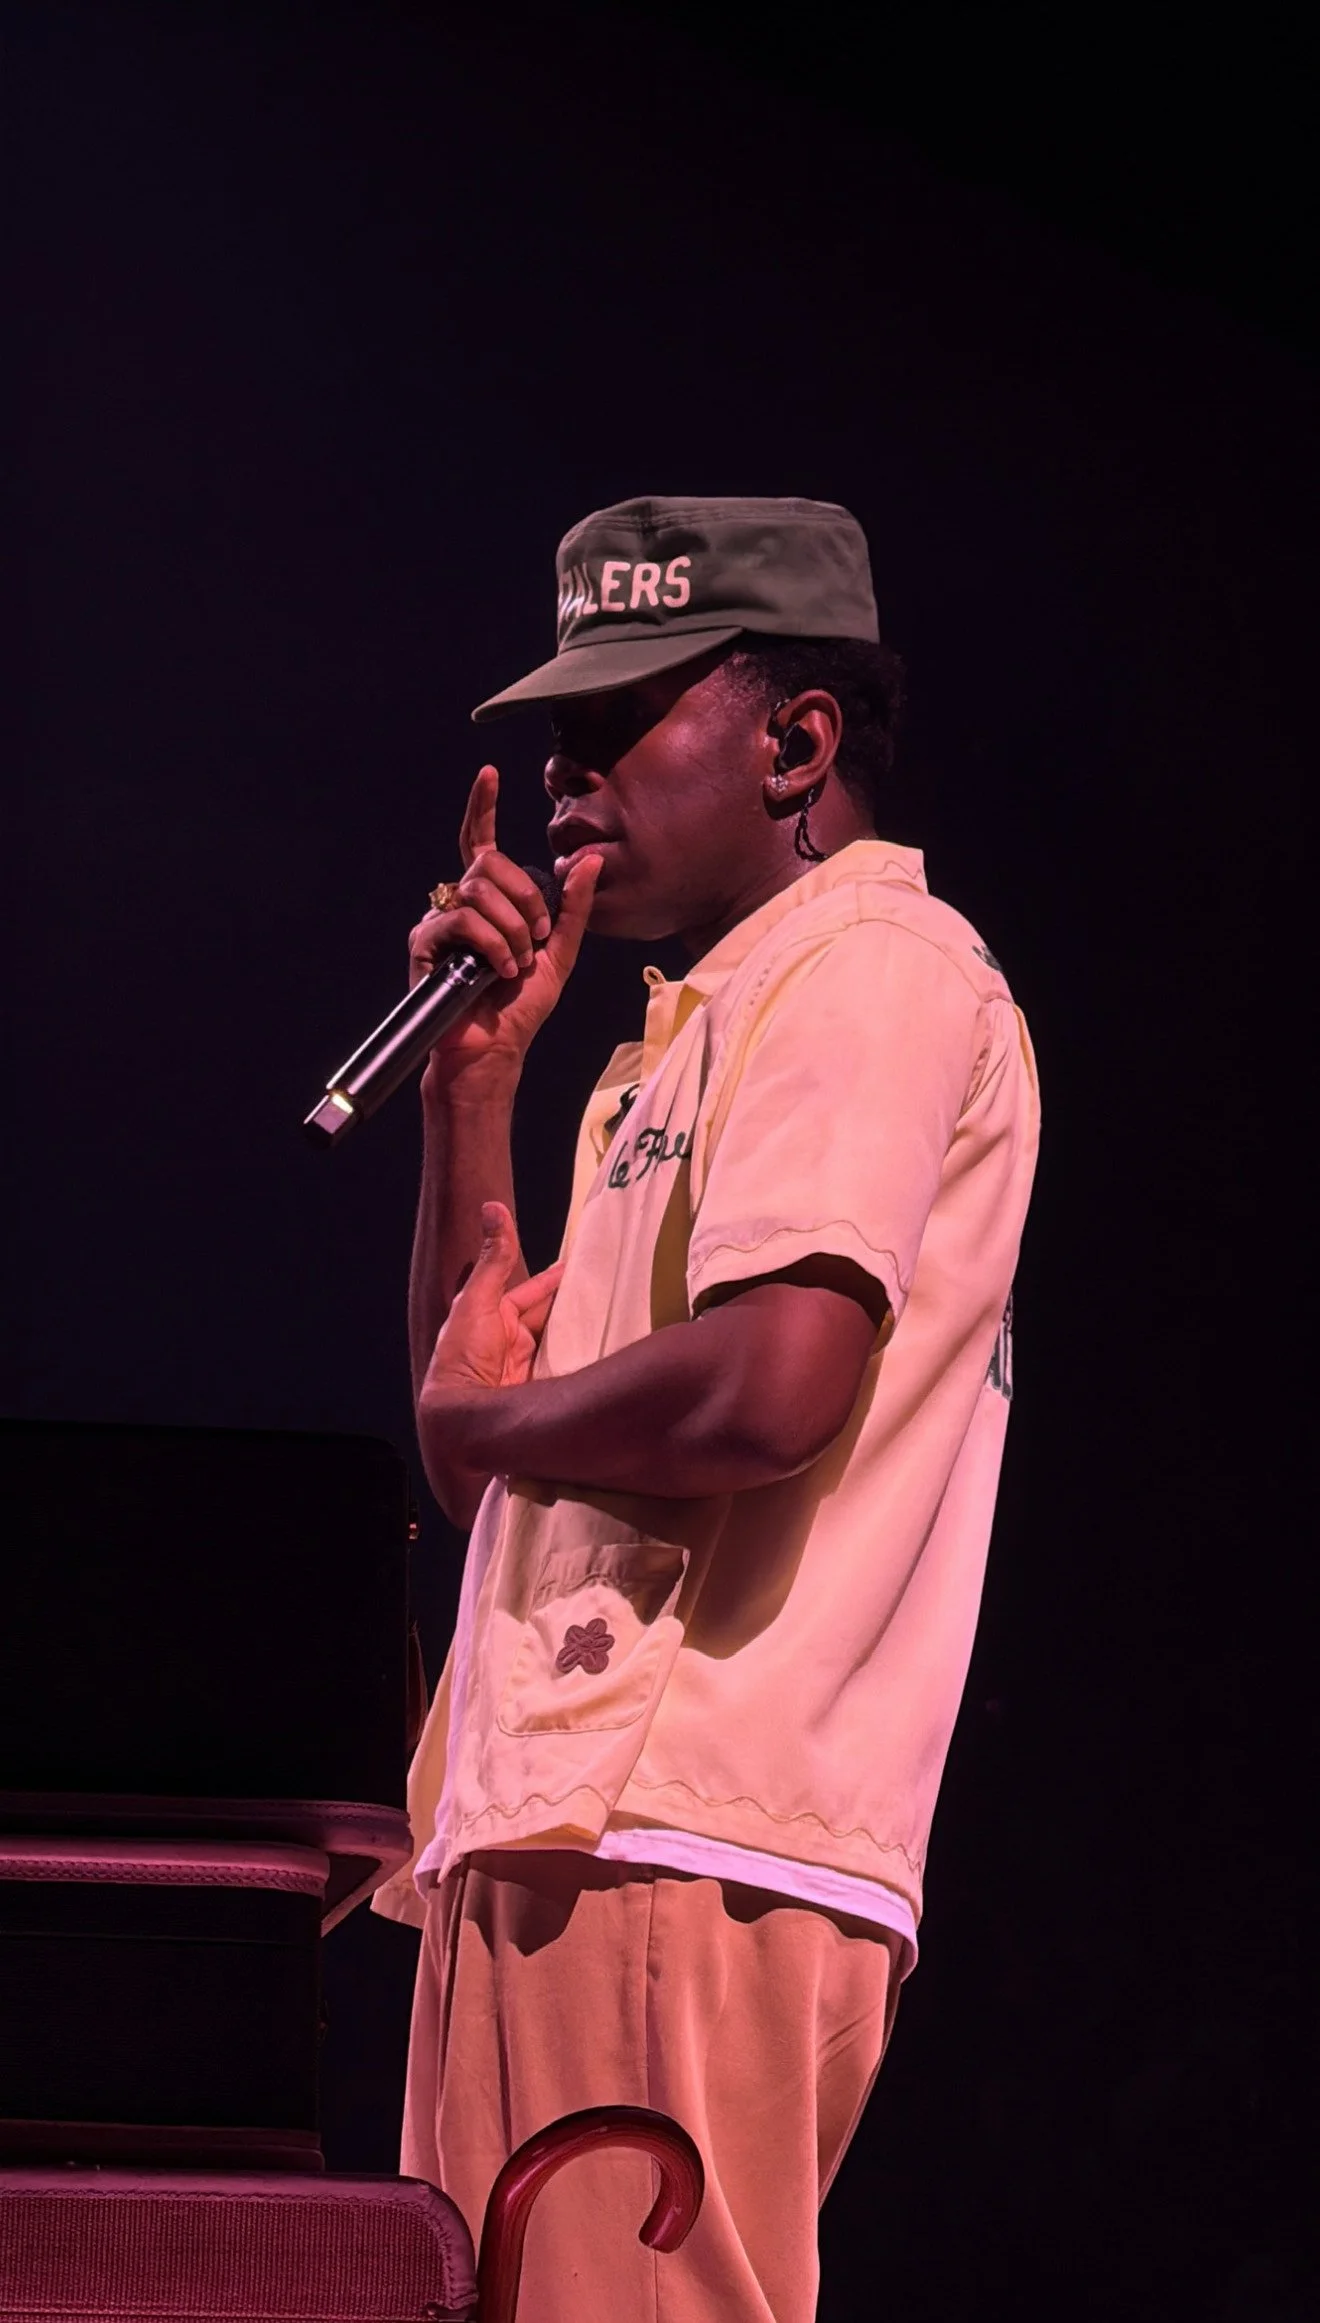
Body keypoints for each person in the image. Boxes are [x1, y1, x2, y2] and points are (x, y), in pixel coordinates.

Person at [371, 495, 1040, 2322]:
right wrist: (474, 1094)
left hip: (685, 1834)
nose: (565, 775)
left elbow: (773, 1386)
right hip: (564, 1818)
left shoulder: (868, 970)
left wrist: (484, 1434)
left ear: (797, 742)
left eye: (621, 723)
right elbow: (481, 1375)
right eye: (559, 731)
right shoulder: (684, 1033)